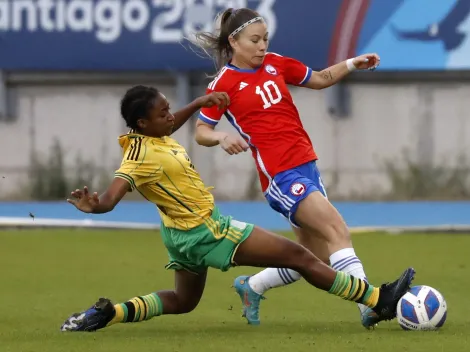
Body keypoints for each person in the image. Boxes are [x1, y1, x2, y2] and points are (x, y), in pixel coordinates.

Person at [60, 85, 414, 332]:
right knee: (303, 257)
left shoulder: (150, 136)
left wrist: (199, 101)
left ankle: (108, 314)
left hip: (179, 237)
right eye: (163, 112)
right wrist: (95, 205)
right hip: (209, 231)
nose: (171, 116)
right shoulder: (138, 159)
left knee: (184, 301)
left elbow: (171, 123)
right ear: (142, 123)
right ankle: (376, 299)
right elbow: (111, 197)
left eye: (169, 109)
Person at [194, 8, 384, 328]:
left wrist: (353, 63)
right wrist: (221, 137)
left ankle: (252, 286)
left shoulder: (275, 63)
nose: (262, 46)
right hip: (280, 176)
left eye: (265, 39)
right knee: (336, 229)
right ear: (234, 41)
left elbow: (321, 79)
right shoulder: (223, 85)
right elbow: (201, 131)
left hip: (306, 165)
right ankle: (371, 303)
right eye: (254, 40)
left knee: (316, 257)